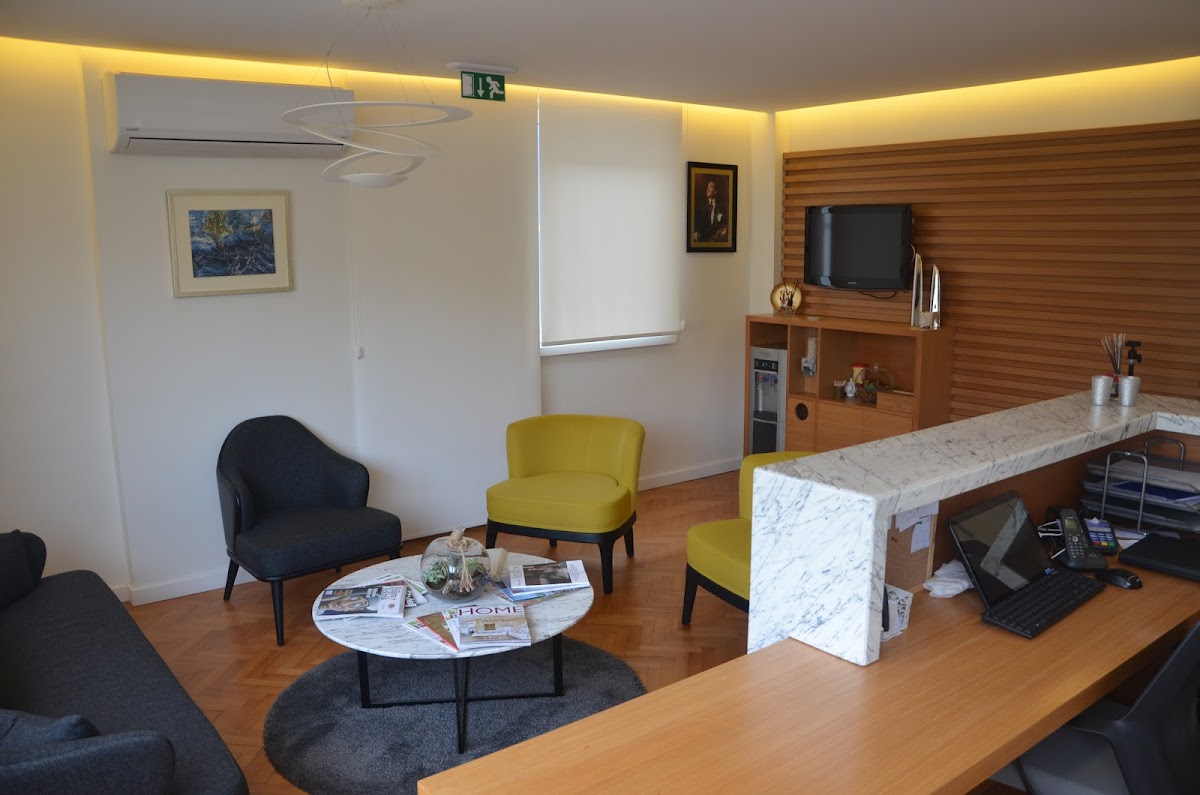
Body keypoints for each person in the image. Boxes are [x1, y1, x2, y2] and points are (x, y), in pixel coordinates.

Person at [693, 178, 729, 243]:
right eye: (707, 187)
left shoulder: (722, 206)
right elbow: (698, 225)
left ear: (715, 191)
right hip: (704, 240)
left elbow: (727, 223)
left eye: (710, 187)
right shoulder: (702, 207)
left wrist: (723, 229)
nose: (707, 189)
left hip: (718, 241)